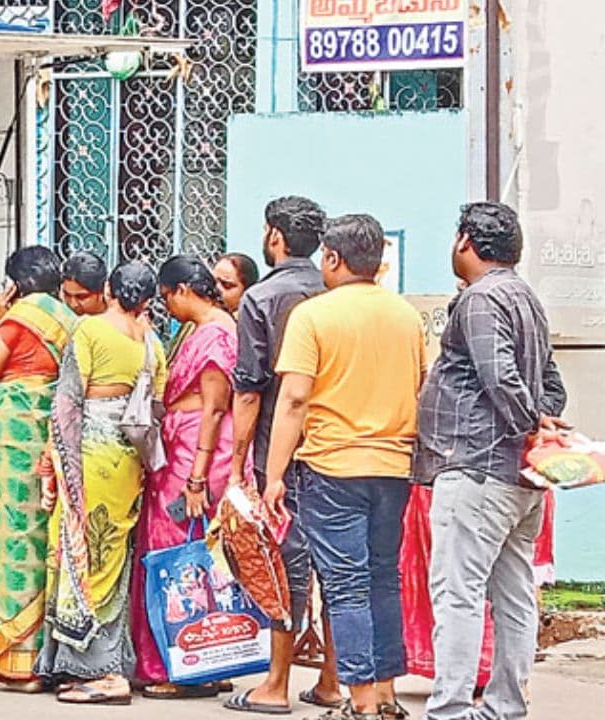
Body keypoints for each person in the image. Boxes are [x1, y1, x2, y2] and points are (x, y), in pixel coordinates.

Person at [263, 214, 426, 720]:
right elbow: (423, 388)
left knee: (346, 585)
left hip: (332, 467)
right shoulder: (407, 317)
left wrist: (273, 476)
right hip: (394, 466)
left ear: (332, 259)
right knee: (384, 579)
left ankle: (359, 702)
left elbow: (292, 400)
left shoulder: (314, 316)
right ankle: (385, 693)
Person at [417, 202, 566, 720]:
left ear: (465, 242)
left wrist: (531, 422)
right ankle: (504, 706)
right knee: (514, 595)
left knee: (457, 594)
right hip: (517, 477)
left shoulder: (482, 299)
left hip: (477, 470)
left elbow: (499, 376)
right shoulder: (526, 298)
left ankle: (451, 708)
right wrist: (540, 422)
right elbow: (552, 383)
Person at [225, 196, 342, 715]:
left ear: (274, 236)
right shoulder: (338, 293)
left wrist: (236, 464)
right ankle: (333, 681)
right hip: (336, 447)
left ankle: (276, 682)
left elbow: (249, 389)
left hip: (281, 448)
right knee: (338, 568)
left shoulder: (262, 298)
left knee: (283, 564)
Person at [0, 246, 79, 692]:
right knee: (46, 541)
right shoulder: (67, 318)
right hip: (53, 435)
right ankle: (50, 654)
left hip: (14, 441)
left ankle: (19, 664)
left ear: (14, 284)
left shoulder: (21, 316)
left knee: (12, 543)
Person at [35, 261, 166, 706]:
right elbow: (156, 407)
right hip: (127, 463)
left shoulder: (89, 331)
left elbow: (68, 403)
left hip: (89, 456)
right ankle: (87, 663)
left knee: (79, 556)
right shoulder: (151, 343)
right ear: (147, 301)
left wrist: (61, 464)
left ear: (109, 289)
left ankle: (104, 672)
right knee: (109, 559)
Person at [130, 255, 250, 700]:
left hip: (199, 451)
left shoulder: (217, 332)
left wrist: (197, 477)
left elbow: (216, 407)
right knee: (191, 549)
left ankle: (179, 665)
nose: (167, 307)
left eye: (167, 298)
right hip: (182, 443)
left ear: (183, 290)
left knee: (179, 549)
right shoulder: (198, 330)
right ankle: (201, 660)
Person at [60, 250, 110, 316]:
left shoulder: (117, 323)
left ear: (102, 292)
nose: (73, 304)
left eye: (81, 297)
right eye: (67, 295)